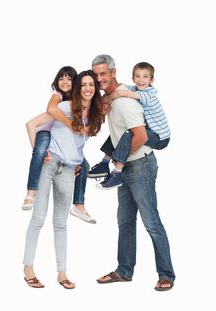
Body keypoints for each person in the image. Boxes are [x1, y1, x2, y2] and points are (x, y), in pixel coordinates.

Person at [91, 55, 175, 291]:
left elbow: (141, 137)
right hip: (127, 165)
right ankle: (124, 271)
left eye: (103, 74)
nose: (99, 79)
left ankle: (167, 274)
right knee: (125, 221)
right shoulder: (114, 98)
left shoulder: (127, 101)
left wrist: (119, 162)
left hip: (140, 166)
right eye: (95, 75)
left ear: (113, 72)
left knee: (151, 222)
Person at [23, 70, 103, 288]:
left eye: (92, 86)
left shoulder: (95, 116)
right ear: (78, 88)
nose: (87, 89)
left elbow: (79, 144)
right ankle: (28, 268)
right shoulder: (66, 108)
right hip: (49, 165)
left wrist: (78, 161)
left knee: (60, 223)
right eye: (84, 85)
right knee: (38, 218)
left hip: (69, 170)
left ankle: (62, 273)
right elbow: (32, 123)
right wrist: (39, 153)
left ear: (96, 90)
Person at [22, 66, 96, 224]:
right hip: (45, 132)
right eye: (61, 78)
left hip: (61, 142)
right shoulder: (59, 99)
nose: (64, 82)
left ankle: (79, 205)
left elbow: (78, 139)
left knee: (84, 165)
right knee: (40, 152)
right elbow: (45, 113)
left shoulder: (80, 105)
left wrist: (74, 159)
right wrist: (39, 151)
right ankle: (31, 191)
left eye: (69, 79)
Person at [88, 61, 171, 190]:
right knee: (120, 135)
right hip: (150, 130)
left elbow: (123, 93)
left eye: (145, 76)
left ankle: (117, 171)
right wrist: (105, 99)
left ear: (152, 79)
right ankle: (104, 163)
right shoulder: (135, 88)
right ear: (133, 78)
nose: (141, 80)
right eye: (137, 76)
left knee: (128, 134)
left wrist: (119, 156)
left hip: (160, 137)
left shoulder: (149, 93)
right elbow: (122, 88)